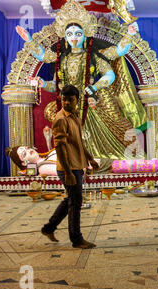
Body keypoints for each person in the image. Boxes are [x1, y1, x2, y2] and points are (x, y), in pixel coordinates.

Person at [16, 0, 148, 160]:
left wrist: (130, 34)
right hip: (70, 104)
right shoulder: (62, 59)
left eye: (78, 34)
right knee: (51, 112)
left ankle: (123, 157)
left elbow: (111, 72)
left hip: (93, 99)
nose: (73, 38)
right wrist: (42, 82)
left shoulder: (93, 55)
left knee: (117, 123)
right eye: (69, 34)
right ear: (64, 36)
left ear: (84, 35)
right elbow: (51, 74)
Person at [40, 84, 99, 249]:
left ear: (77, 101)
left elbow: (78, 142)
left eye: (70, 99)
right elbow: (60, 148)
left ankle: (49, 228)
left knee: (71, 200)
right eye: (64, 99)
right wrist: (68, 173)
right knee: (75, 202)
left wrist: (90, 159)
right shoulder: (60, 119)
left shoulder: (75, 117)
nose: (66, 102)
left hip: (77, 165)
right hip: (68, 167)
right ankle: (76, 239)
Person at [5, 146, 158, 175]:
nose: (28, 151)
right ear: (24, 163)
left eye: (26, 148)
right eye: (24, 154)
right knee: (124, 165)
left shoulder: (46, 156)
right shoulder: (42, 168)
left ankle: (153, 164)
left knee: (123, 162)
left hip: (93, 161)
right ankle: (156, 166)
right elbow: (64, 172)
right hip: (93, 168)